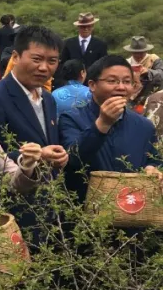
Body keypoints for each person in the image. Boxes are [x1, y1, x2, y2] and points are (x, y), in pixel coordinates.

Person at [59, 54, 161, 200]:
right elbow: (72, 160)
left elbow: (154, 159)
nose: (121, 87)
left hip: (132, 207)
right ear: (92, 85)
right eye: (112, 81)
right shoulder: (71, 119)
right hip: (86, 207)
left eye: (127, 81)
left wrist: (152, 168)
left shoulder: (144, 125)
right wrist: (103, 123)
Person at [0, 25, 64, 155]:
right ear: (15, 57)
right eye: (36, 59)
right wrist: (37, 156)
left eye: (52, 61)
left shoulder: (48, 99)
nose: (43, 67)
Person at [124, 36, 163, 111]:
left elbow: (161, 74)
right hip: (131, 98)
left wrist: (148, 72)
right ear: (131, 52)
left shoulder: (153, 59)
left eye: (141, 53)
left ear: (146, 51)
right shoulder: (126, 63)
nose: (138, 56)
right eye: (136, 53)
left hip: (151, 97)